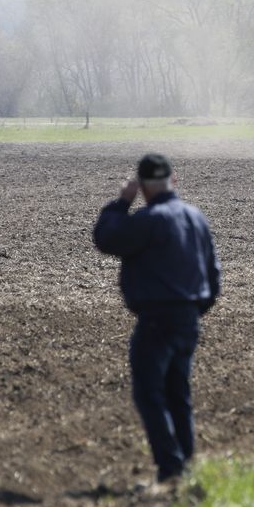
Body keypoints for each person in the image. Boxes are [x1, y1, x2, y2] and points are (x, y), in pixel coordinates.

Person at [93, 153, 222, 484]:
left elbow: (106, 238)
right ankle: (185, 467)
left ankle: (171, 468)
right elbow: (213, 275)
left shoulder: (148, 220)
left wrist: (121, 203)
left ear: (142, 187)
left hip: (156, 319)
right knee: (178, 393)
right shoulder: (195, 217)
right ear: (173, 180)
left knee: (149, 393)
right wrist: (194, 310)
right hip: (188, 318)